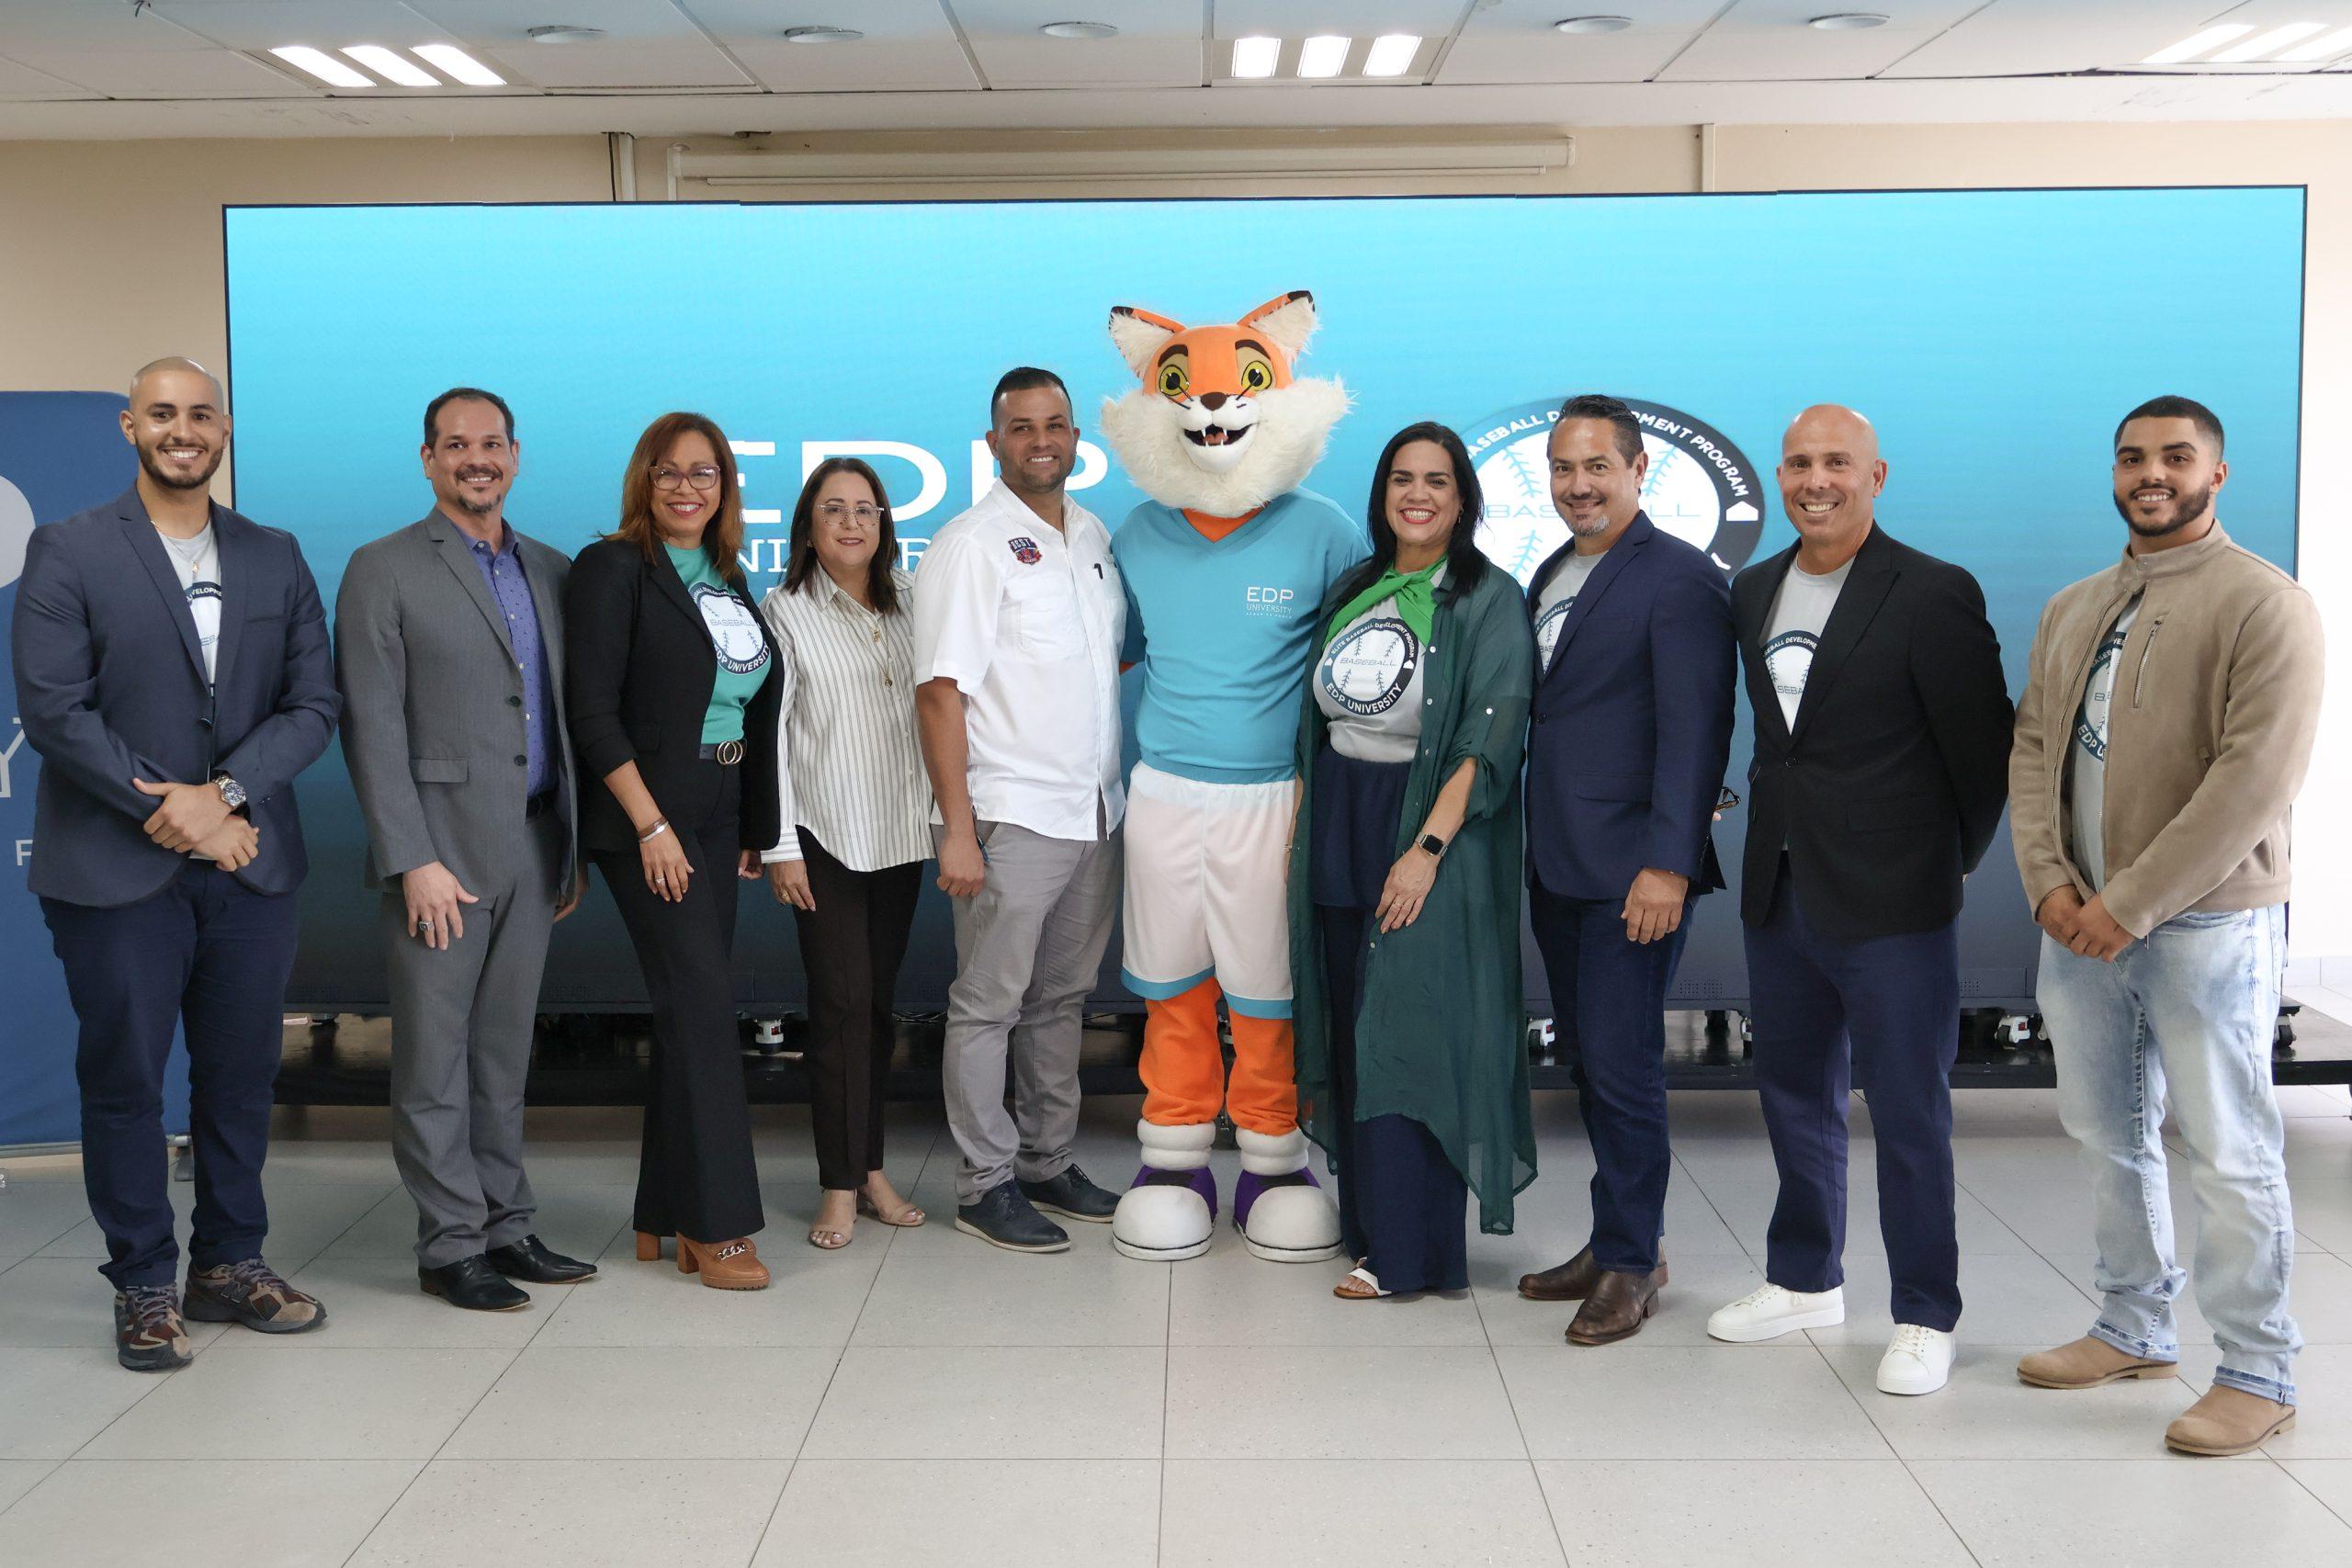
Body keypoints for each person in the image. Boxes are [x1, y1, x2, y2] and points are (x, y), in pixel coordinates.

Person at [13, 357, 339, 1370]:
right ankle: (145, 1282)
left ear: (224, 430)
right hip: (116, 870)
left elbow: (313, 705)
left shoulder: (276, 555)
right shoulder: (68, 548)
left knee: (240, 1079)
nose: (182, 429)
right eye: (162, 413)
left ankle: (229, 1264)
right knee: (125, 1083)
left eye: (200, 414)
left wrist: (224, 796)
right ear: (130, 427)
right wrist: (183, 813)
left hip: (251, 865)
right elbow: (55, 711)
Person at [2011, 396, 2321, 1456]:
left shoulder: (2265, 603)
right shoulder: (2074, 605)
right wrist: (2049, 885)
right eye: (2132, 457)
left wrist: (2128, 904)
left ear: (2214, 474)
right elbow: (2033, 749)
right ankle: (2133, 1326)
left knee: (2229, 1154)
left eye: (2175, 457)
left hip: (2205, 929)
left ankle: (2257, 1369)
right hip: (2075, 926)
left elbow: (2253, 780)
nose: (2151, 473)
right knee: (2106, 1135)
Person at [1703, 405, 2012, 1396]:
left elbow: (1983, 753)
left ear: (1875, 476)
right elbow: (1780, 743)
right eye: (1799, 463)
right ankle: (1805, 1279)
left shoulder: (1931, 590)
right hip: (1782, 886)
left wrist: (1946, 860)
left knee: (1908, 1110)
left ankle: (1925, 1311)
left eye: (1837, 462)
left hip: (1895, 899)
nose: (1815, 480)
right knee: (1793, 1093)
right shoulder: (1754, 588)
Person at [1095, 291, 1360, 1265]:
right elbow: (1103, 651)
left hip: (1271, 795)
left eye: (1241, 387)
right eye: (1187, 392)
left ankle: (1273, 1161)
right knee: (1172, 983)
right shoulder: (1136, 532)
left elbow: (1362, 672)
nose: (1212, 411)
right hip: (1164, 790)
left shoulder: (1324, 529)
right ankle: (1172, 1157)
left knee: (1266, 990)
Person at [335, 387, 596, 1312]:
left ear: (515, 456)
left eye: (490, 444)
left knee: (501, 1055)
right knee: (435, 1061)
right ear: (428, 460)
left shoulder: (553, 570)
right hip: (439, 856)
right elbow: (371, 725)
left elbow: (564, 718)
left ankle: (506, 1225)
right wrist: (412, 858)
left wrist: (570, 849)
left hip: (535, 844)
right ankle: (449, 1244)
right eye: (455, 445)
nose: (475, 459)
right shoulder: (383, 568)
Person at [1288, 421, 1536, 1300]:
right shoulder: (1357, 586)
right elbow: (1317, 719)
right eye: (1403, 478)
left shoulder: (1488, 597)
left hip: (1426, 827)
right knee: (1353, 1024)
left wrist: (1426, 849)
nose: (1418, 495)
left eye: (1437, 480)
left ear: (1463, 498)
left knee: (1409, 1034)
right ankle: (1369, 1228)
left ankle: (1411, 1252)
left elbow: (1487, 738)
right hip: (1343, 820)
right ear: (1382, 492)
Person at [1513, 395, 1736, 1344]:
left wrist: (1668, 866)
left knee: (1624, 1065)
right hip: (1560, 861)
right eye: (1563, 469)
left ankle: (1635, 1263)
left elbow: (1697, 730)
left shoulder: (1679, 578)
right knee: (1590, 1062)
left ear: (1639, 470)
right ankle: (1615, 1239)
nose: (1578, 486)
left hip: (1633, 873)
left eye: (1596, 467)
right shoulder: (1553, 571)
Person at [564, 412, 783, 1290]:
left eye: (704, 472)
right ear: (643, 482)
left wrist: (754, 823)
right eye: (669, 472)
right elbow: (591, 710)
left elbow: (751, 707)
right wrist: (651, 825)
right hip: (649, 813)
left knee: (688, 1006)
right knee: (704, 1007)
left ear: (725, 486)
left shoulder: (728, 576)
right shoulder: (614, 567)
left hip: (718, 811)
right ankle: (718, 1228)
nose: (687, 487)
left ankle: (660, 1209)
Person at [913, 368, 1127, 1253]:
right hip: (1009, 814)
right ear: (993, 441)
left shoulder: (1093, 534)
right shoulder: (971, 545)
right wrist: (958, 829)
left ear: (1077, 437)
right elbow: (938, 692)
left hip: (1094, 810)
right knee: (989, 1002)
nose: (1042, 440)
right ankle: (984, 1182)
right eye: (1022, 426)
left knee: (1062, 998)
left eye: (1056, 424)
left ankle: (1046, 1160)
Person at [758, 458, 931, 1250]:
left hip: (900, 832)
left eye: (866, 509)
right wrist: (780, 844)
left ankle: (871, 1170)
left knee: (878, 1007)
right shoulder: (784, 611)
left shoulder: (914, 601)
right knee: (839, 1006)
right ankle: (838, 1181)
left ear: (884, 524)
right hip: (823, 836)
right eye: (834, 509)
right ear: (808, 526)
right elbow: (772, 736)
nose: (852, 523)